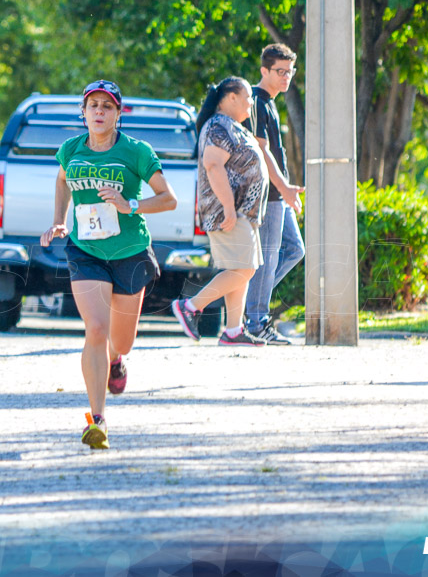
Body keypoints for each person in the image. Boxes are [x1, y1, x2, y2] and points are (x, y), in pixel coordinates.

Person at [40, 80, 177, 449]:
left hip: (130, 253)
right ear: (83, 113)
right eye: (93, 106)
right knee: (96, 329)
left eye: (107, 106)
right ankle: (96, 418)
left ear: (118, 114)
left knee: (121, 341)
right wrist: (59, 219)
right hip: (86, 251)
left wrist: (129, 204)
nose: (99, 112)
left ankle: (116, 360)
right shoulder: (70, 149)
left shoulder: (136, 151)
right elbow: (63, 182)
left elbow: (168, 199)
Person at [171, 77, 269, 347]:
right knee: (245, 268)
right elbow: (213, 166)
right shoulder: (217, 125)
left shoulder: (232, 126)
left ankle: (233, 331)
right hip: (229, 211)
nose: (252, 103)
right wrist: (227, 207)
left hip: (242, 213)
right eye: (248, 97)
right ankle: (190, 307)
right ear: (231, 97)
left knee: (242, 268)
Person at [243, 44, 306, 344]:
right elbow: (260, 149)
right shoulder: (255, 100)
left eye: (290, 72)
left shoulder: (271, 102)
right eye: (280, 71)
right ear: (264, 70)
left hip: (279, 194)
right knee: (267, 259)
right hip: (267, 194)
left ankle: (248, 301)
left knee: (295, 250)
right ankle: (256, 322)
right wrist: (285, 187)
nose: (286, 77)